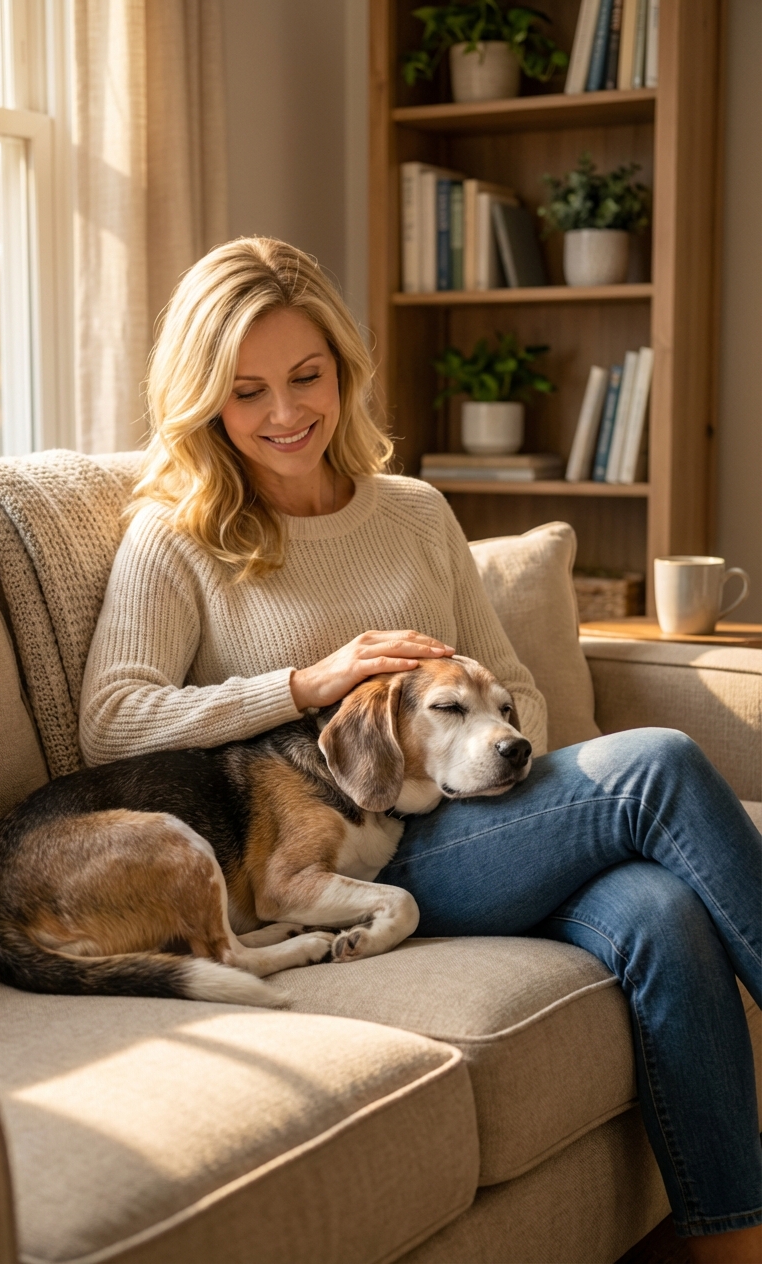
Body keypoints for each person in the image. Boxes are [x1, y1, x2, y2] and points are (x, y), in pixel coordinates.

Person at [80, 237, 761, 1261]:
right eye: (245, 390)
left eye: (306, 376)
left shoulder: (413, 512)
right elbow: (111, 720)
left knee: (659, 910)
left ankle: (730, 1247)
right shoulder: (179, 533)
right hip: (360, 846)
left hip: (485, 822)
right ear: (203, 399)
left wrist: (472, 729)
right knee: (655, 760)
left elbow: (516, 684)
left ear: (344, 371)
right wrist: (308, 684)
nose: (283, 413)